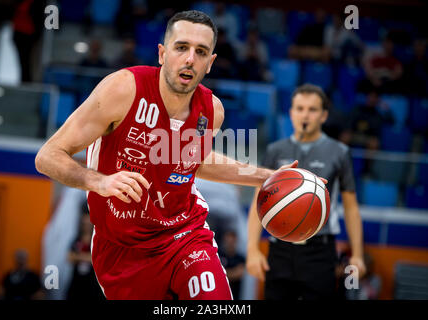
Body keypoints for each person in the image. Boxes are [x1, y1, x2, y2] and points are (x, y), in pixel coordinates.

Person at [35, 10, 318, 300]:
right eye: (181, 47)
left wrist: (267, 176)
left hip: (184, 235)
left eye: (201, 52)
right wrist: (99, 182)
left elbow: (194, 162)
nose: (190, 59)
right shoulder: (122, 90)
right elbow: (47, 156)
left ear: (210, 63)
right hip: (121, 250)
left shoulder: (212, 111)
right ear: (162, 53)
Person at [246, 84, 366, 300]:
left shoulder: (339, 152)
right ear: (291, 113)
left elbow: (350, 207)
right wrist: (252, 249)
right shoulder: (275, 150)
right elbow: (259, 202)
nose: (305, 115)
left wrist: (357, 255)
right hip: (280, 249)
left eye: (312, 109)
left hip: (320, 251)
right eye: (300, 108)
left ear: (323, 115)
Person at [66, 204, 105, 300]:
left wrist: (78, 256)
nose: (86, 226)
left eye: (88, 224)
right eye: (84, 223)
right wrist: (89, 257)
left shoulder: (97, 241)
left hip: (93, 286)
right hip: (76, 284)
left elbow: (97, 260)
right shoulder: (77, 239)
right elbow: (69, 257)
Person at [219, 230, 246, 300]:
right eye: (228, 241)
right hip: (221, 294)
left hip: (236, 295)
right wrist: (233, 272)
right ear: (225, 240)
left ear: (235, 241)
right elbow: (217, 275)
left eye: (232, 241)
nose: (230, 243)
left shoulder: (240, 258)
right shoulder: (219, 256)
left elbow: (239, 274)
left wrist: (224, 273)